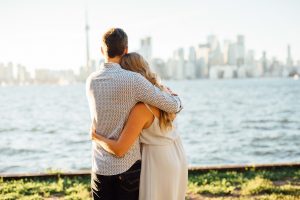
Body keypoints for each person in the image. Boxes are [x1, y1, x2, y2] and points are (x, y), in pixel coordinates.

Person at [86, 28, 183, 200]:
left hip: (99, 168)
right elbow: (172, 106)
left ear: (102, 50)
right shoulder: (133, 80)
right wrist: (176, 99)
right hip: (128, 169)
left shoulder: (91, 80)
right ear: (125, 49)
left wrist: (95, 136)